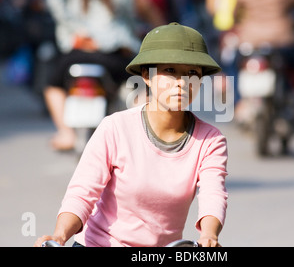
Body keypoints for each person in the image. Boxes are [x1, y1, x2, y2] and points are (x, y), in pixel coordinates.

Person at [34, 23, 228, 247]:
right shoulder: (115, 128)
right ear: (147, 75)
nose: (181, 83)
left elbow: (213, 194)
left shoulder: (211, 141)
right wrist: (59, 236)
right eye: (170, 71)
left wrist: (209, 235)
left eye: (192, 73)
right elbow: (82, 192)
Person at [44, 0, 165, 151]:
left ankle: (66, 133)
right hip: (115, 56)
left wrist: (73, 30)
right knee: (141, 88)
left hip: (76, 55)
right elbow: (145, 10)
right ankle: (145, 138)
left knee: (52, 86)